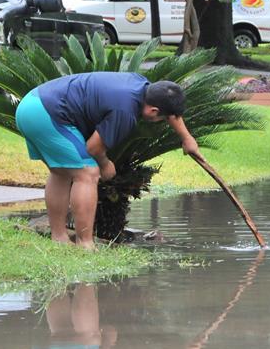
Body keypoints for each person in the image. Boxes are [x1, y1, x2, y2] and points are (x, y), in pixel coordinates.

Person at [15, 72, 200, 249]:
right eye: (162, 118)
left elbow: (169, 109)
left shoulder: (141, 84)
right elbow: (93, 147)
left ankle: (59, 238)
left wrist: (186, 138)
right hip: (48, 114)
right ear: (153, 111)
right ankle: (85, 244)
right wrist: (105, 164)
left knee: (62, 172)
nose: (161, 121)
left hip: (30, 104)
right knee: (88, 172)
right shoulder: (125, 112)